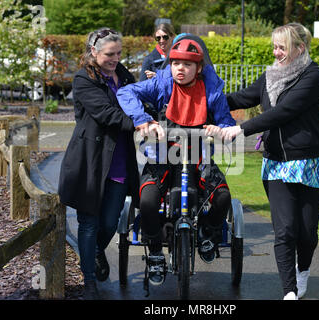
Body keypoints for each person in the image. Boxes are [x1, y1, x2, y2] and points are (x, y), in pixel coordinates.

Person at [221, 23, 319, 300]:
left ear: (299, 49)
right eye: (275, 46)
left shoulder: (312, 76)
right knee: (285, 230)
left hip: (310, 163)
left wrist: (242, 128)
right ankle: (289, 292)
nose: (276, 52)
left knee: (306, 233)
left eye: (282, 47)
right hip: (277, 164)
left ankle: (302, 272)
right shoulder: (270, 76)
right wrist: (202, 100)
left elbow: (284, 112)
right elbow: (241, 98)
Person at [117, 37, 236, 285]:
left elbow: (226, 122)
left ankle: (207, 234)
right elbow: (125, 92)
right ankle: (156, 254)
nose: (180, 69)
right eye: (175, 63)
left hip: (198, 154)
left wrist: (221, 129)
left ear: (199, 68)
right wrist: (144, 121)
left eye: (187, 65)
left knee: (223, 197)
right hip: (163, 154)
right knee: (148, 201)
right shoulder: (161, 84)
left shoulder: (212, 90)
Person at [58, 28, 140, 300]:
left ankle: (92, 252)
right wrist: (139, 124)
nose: (116, 58)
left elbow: (138, 99)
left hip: (118, 161)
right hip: (90, 160)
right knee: (89, 222)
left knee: (109, 222)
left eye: (118, 53)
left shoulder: (124, 74)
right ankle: (88, 280)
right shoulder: (83, 78)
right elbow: (105, 114)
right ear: (94, 52)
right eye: (109, 54)